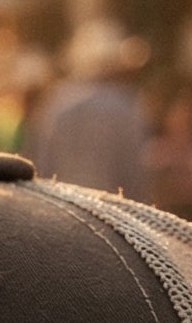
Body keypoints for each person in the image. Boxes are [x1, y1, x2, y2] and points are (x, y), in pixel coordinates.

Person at [28, 20, 151, 193]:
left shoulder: (56, 103)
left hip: (64, 203)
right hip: (110, 209)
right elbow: (135, 171)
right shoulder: (125, 107)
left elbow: (42, 162)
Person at [143, 95, 192, 227]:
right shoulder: (157, 148)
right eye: (178, 117)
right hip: (164, 217)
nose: (182, 122)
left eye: (188, 119)